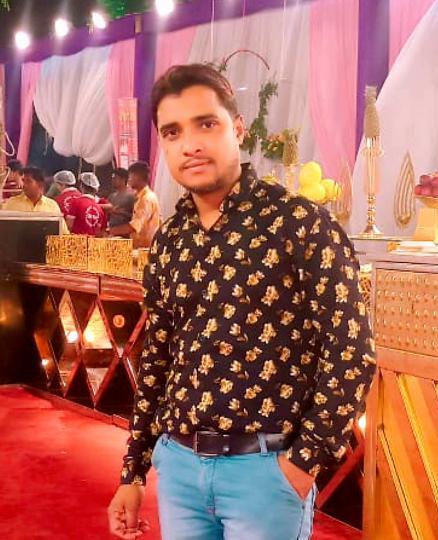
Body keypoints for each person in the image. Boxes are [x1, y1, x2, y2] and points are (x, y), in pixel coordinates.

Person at [107, 64, 375, 540]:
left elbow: (350, 353)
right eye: (172, 132)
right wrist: (134, 471)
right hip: (180, 469)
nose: (190, 144)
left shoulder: (299, 225)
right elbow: (157, 361)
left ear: (238, 128)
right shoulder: (171, 241)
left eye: (206, 124)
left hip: (265, 472)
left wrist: (303, 463)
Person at [1, 166, 69, 234]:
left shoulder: (52, 206)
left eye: (28, 181)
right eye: (23, 181)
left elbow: (63, 233)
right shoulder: (12, 203)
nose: (24, 185)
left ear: (40, 184)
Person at [108, 161, 160, 248]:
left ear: (137, 177)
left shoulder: (146, 198)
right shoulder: (139, 196)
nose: (128, 180)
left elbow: (135, 226)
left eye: (130, 176)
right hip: (139, 246)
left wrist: (110, 231)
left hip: (145, 249)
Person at [101, 168, 135, 235]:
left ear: (123, 179)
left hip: (125, 233)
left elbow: (136, 217)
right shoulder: (111, 196)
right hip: (111, 231)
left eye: (115, 178)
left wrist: (120, 213)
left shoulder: (131, 196)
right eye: (112, 178)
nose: (112, 180)